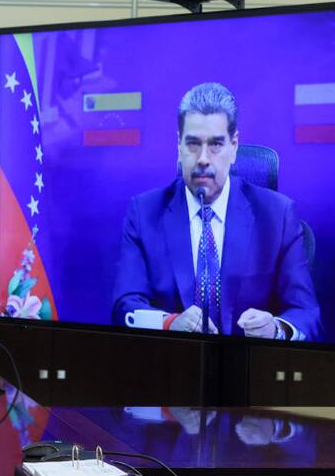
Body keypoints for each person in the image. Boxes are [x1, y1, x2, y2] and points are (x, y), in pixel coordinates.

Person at [111, 83, 321, 341]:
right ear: (178, 145)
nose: (203, 158)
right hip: (172, 365)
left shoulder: (277, 215)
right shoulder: (145, 213)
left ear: (233, 147)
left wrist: (276, 328)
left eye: (215, 145)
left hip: (250, 367)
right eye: (192, 144)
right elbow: (124, 307)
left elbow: (306, 314)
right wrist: (168, 323)